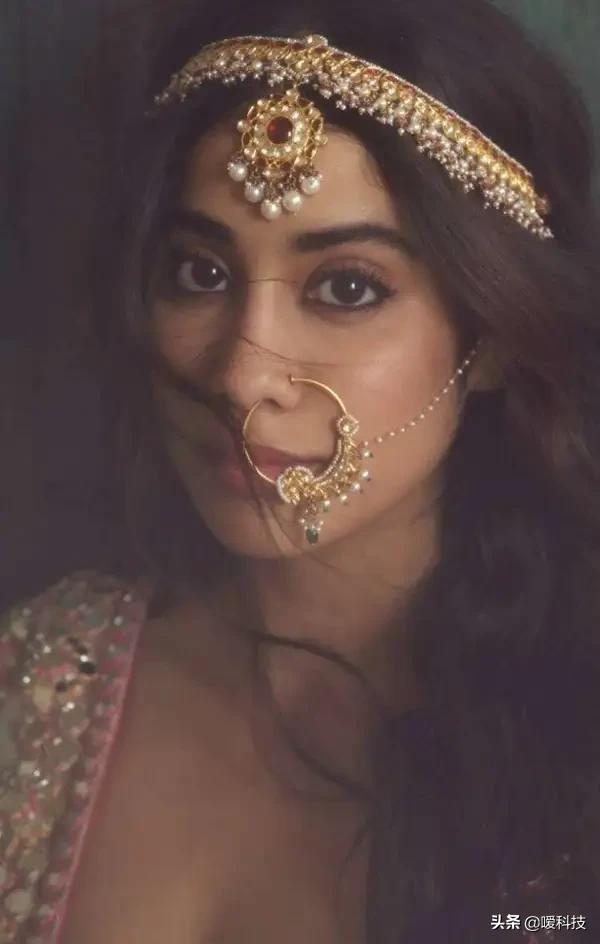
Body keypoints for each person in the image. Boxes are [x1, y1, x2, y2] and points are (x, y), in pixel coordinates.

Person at [1, 0, 600, 941]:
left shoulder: (574, 733)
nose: (243, 375)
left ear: (490, 338)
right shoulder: (38, 682)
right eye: (200, 273)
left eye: (346, 287)